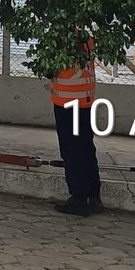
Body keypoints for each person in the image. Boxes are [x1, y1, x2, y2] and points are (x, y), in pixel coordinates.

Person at [51, 39, 102, 216]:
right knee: (85, 146)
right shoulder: (87, 36)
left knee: (71, 148)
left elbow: (49, 66)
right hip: (84, 98)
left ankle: (79, 197)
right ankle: (93, 195)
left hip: (67, 99)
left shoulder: (62, 37)